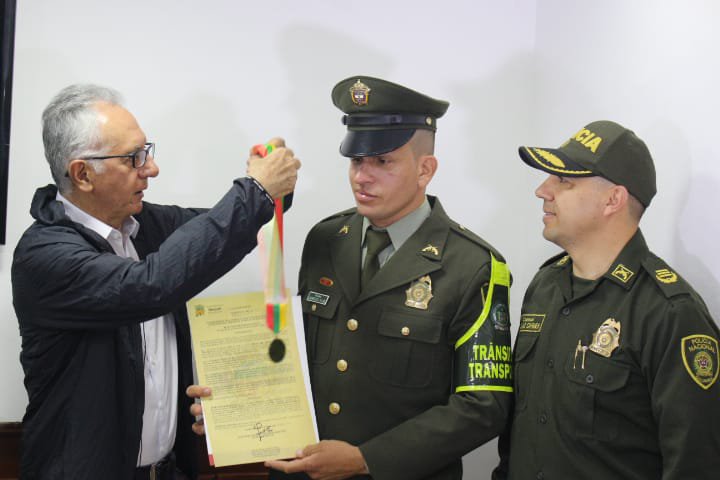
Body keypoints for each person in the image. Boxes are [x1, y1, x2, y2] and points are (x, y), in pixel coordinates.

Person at [189, 76, 513, 480]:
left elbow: (483, 406)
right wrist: (233, 406)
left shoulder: (472, 265)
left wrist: (366, 459)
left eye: (383, 162)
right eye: (357, 161)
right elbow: (297, 361)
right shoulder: (325, 239)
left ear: (425, 169)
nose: (362, 176)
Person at [12, 84, 300, 480]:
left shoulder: (146, 225)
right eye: (133, 158)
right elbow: (151, 286)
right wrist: (257, 190)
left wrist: (273, 187)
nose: (151, 168)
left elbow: (223, 231)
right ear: (83, 174)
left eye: (146, 152)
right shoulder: (45, 255)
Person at [493, 120, 720, 479]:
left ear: (613, 200)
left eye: (563, 180)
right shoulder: (545, 287)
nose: (542, 190)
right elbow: (519, 435)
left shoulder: (669, 313)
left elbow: (695, 464)